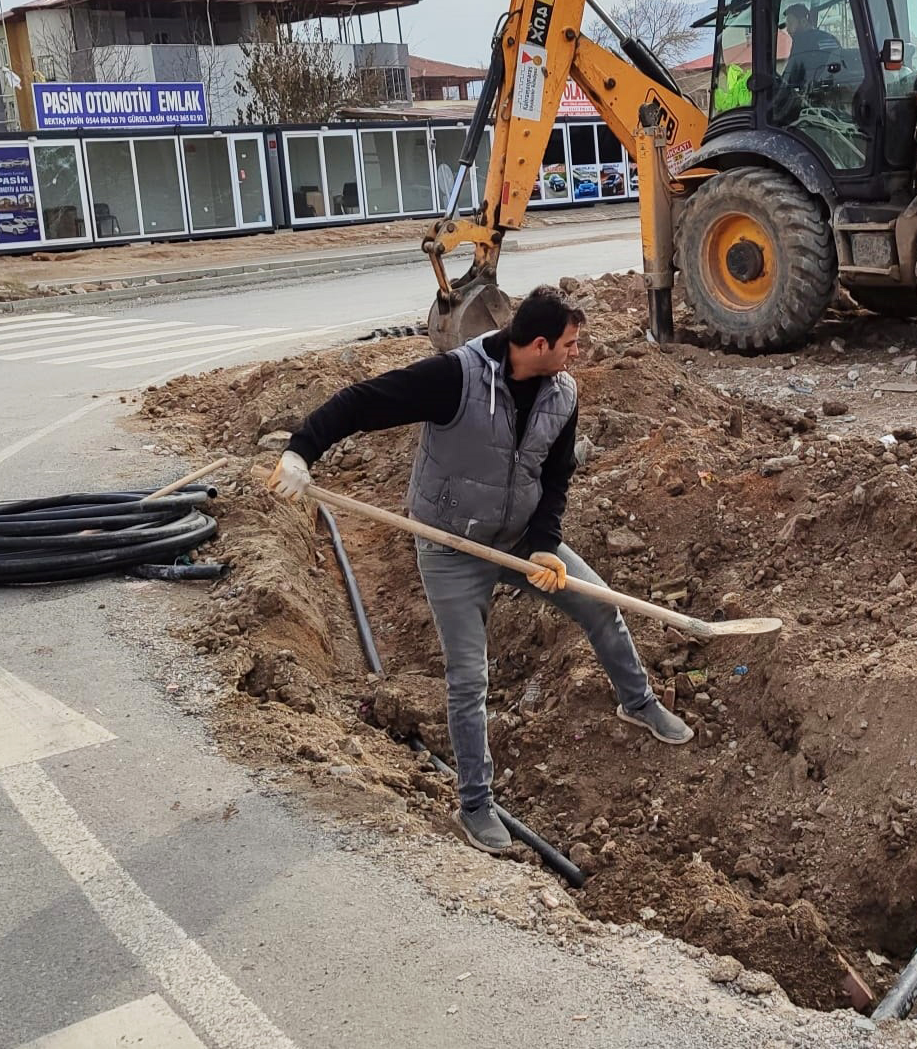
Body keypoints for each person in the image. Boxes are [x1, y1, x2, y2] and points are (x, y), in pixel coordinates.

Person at [268, 287, 694, 853]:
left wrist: (544, 545)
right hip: (449, 546)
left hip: (519, 540)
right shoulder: (456, 378)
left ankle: (637, 701)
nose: (577, 352)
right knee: (469, 679)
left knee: (601, 603)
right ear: (538, 344)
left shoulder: (562, 395)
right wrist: (302, 452)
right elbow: (362, 402)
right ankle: (475, 804)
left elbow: (557, 478)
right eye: (570, 343)